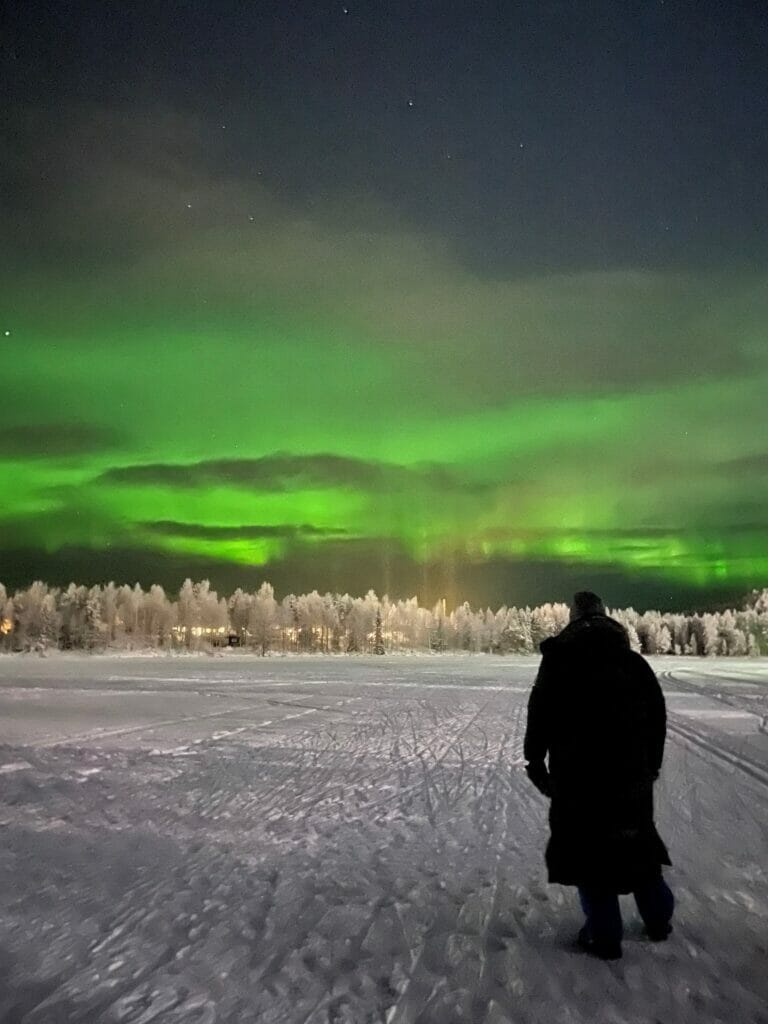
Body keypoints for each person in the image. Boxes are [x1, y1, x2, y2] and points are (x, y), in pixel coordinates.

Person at [523, 591, 674, 960]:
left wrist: (535, 761)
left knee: (589, 853)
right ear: (606, 618)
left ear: (573, 618)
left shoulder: (558, 661)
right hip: (632, 775)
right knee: (638, 845)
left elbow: (539, 712)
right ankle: (658, 919)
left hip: (577, 778)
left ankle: (604, 935)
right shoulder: (632, 662)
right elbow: (657, 716)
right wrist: (651, 764)